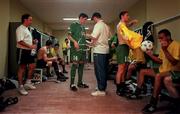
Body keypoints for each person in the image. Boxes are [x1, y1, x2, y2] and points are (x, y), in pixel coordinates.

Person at [141, 29, 180, 113]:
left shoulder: (176, 45)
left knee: (159, 76)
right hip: (163, 70)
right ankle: (138, 92)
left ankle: (153, 103)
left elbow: (174, 62)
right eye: (159, 38)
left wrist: (165, 49)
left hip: (175, 71)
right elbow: (160, 61)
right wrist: (150, 55)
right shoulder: (163, 47)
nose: (160, 40)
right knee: (144, 71)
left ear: (168, 37)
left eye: (162, 38)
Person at [115, 11, 141, 96]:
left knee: (125, 68)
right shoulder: (120, 25)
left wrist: (131, 23)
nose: (128, 17)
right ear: (122, 16)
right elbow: (125, 38)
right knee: (121, 69)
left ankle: (122, 86)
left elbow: (127, 26)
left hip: (125, 48)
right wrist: (132, 46)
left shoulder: (123, 25)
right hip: (122, 47)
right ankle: (118, 89)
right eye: (127, 15)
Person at [86, 12, 111, 96]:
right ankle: (102, 87)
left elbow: (94, 37)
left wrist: (85, 34)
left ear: (95, 17)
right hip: (105, 50)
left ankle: (101, 90)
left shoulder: (98, 25)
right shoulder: (106, 26)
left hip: (99, 51)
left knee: (99, 71)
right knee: (103, 70)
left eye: (93, 19)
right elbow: (101, 39)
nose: (93, 21)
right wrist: (89, 44)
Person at [67, 13, 89, 91]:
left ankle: (80, 83)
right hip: (76, 50)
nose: (85, 21)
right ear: (81, 18)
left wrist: (88, 44)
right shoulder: (73, 25)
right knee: (75, 65)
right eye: (85, 19)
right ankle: (72, 84)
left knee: (81, 66)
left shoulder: (83, 28)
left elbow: (83, 38)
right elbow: (69, 36)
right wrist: (75, 42)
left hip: (83, 50)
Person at [16, 14, 37, 95]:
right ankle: (20, 87)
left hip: (29, 51)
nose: (31, 21)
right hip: (22, 51)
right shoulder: (20, 28)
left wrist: (33, 42)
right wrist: (31, 46)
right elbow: (20, 41)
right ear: (25, 20)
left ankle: (28, 83)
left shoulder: (27, 29)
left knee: (32, 65)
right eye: (30, 20)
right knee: (22, 68)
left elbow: (26, 40)